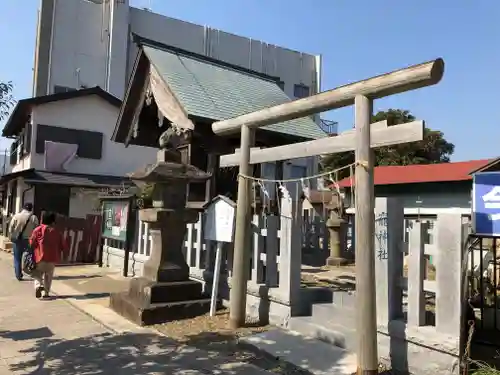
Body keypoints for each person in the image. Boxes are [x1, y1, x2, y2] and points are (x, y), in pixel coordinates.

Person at [29, 211, 68, 299]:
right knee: (48, 276)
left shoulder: (37, 230)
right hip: (52, 258)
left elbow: (32, 243)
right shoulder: (57, 232)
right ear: (52, 221)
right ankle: (46, 293)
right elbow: (63, 245)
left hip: (39, 257)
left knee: (37, 274)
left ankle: (38, 286)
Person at [9, 203, 39, 280]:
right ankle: (30, 271)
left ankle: (18, 275)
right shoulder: (34, 218)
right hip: (29, 240)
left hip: (18, 239)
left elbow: (10, 228)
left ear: (23, 208)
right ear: (31, 209)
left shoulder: (17, 216)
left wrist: (13, 234)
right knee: (30, 256)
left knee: (17, 258)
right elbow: (37, 229)